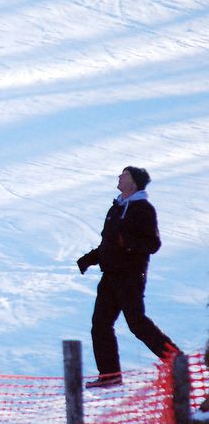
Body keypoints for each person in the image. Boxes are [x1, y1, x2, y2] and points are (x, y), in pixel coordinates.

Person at [77, 166, 180, 389]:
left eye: (124, 175)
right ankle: (110, 376)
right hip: (110, 277)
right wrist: (89, 259)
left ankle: (176, 361)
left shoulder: (143, 209)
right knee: (100, 325)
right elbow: (109, 244)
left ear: (133, 183)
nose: (119, 177)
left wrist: (129, 244)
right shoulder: (116, 207)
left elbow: (153, 244)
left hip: (130, 277)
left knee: (137, 323)